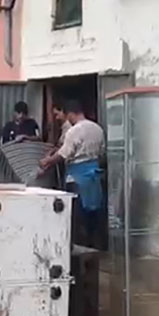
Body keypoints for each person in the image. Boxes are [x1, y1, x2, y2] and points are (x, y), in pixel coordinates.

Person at [40, 100, 105, 241]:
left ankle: (79, 244)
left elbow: (64, 153)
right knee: (94, 210)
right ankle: (94, 242)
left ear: (69, 114)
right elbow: (102, 152)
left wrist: (47, 162)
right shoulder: (97, 128)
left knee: (76, 214)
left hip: (77, 176)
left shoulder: (74, 131)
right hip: (94, 175)